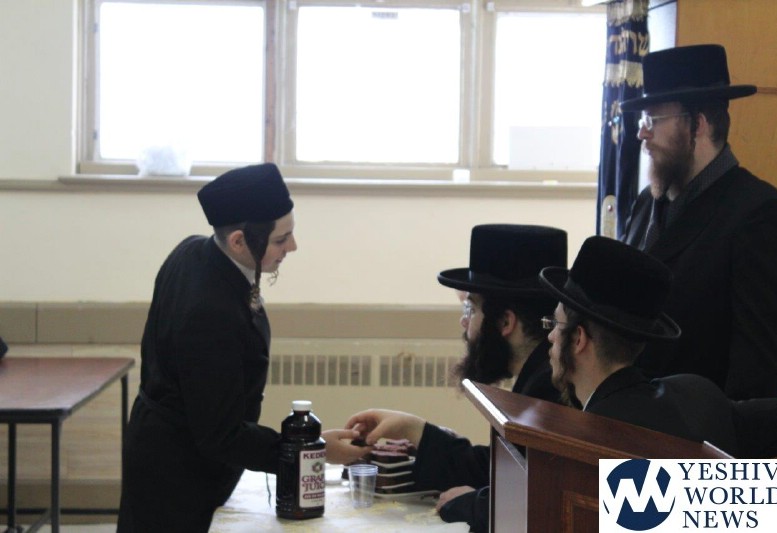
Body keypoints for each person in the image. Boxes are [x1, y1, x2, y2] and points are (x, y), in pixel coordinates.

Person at [117, 164, 366, 533]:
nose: (292, 247)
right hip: (178, 471)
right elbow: (220, 434)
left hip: (164, 444)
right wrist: (310, 450)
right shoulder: (209, 312)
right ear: (238, 241)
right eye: (281, 240)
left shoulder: (194, 250)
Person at [345, 224, 567, 533]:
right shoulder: (537, 375)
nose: (464, 322)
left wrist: (473, 505)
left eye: (471, 308)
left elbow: (539, 502)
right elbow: (502, 468)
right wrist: (415, 430)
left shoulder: (549, 388)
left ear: (505, 322)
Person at [620, 44, 777, 400]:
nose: (642, 134)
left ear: (698, 124)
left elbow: (761, 368)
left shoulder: (760, 214)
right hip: (626, 417)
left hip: (694, 427)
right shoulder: (646, 203)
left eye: (653, 121)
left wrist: (711, 433)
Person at [538, 235, 777, 460]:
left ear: (578, 339)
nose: (550, 336)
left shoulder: (585, 442)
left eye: (556, 324)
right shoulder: (696, 394)